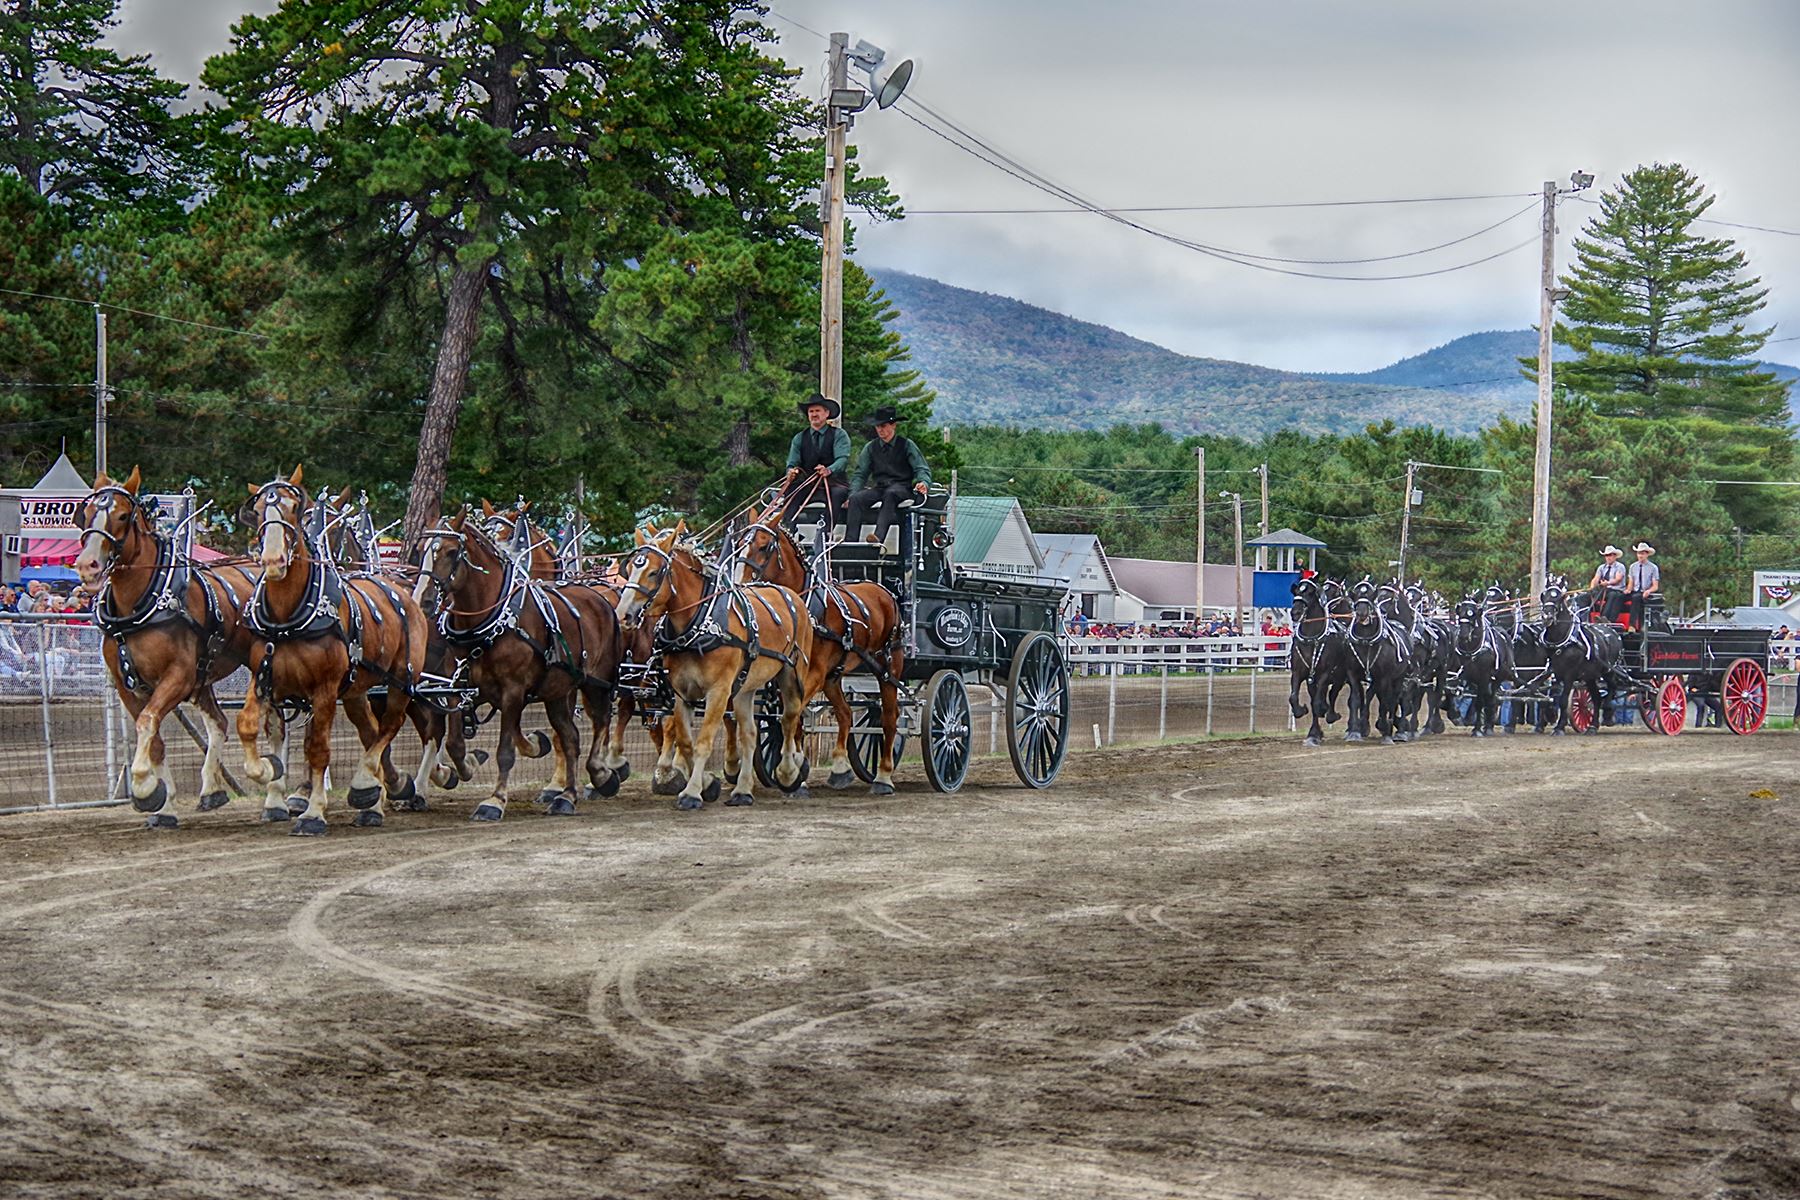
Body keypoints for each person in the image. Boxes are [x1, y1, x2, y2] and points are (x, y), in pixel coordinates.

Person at [846, 404, 931, 551]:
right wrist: (852, 493)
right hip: (880, 487)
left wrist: (923, 482)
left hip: (902, 488)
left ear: (893, 425)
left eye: (883, 426)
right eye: (878, 426)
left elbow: (921, 468)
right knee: (856, 499)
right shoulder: (870, 447)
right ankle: (850, 543)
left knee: (891, 494)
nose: (880, 430)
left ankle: (878, 538)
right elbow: (860, 474)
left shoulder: (906, 445)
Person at [778, 392, 852, 529]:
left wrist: (828, 470)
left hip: (834, 484)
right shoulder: (799, 438)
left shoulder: (839, 435)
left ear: (826, 413)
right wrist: (791, 472)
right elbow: (792, 462)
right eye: (811, 411)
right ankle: (788, 531)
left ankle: (826, 532)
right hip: (807, 484)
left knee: (838, 494)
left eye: (817, 411)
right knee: (791, 492)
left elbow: (842, 459)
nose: (814, 414)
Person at [1587, 544, 1627, 623]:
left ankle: (1604, 618)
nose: (1608, 557)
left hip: (1616, 590)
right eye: (1606, 555)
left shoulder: (1620, 566)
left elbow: (1618, 579)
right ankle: (1583, 617)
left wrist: (1607, 583)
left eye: (1610, 555)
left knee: (1613, 595)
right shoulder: (1601, 567)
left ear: (1615, 556)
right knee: (1586, 596)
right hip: (1603, 590)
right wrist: (1592, 587)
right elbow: (1596, 578)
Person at [1624, 541, 1660, 630]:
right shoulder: (1633, 567)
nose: (1640, 556)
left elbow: (1655, 586)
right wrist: (1628, 590)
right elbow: (1631, 583)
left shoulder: (1653, 568)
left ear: (1647, 554)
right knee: (1618, 596)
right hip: (1635, 591)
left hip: (1645, 592)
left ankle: (1632, 625)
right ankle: (1610, 620)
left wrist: (1648, 591)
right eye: (1639, 553)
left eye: (1642, 553)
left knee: (1636, 598)